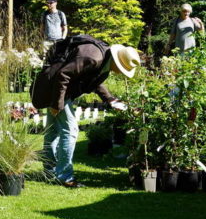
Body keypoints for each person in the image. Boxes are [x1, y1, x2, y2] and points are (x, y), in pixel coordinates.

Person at [31, 35, 141, 188]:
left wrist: (110, 99)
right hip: (56, 90)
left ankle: (49, 172)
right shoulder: (93, 57)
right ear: (118, 61)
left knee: (53, 131)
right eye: (124, 69)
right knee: (70, 131)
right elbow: (63, 75)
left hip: (59, 90)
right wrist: (57, 105)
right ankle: (64, 176)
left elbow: (93, 82)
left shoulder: (104, 60)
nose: (122, 73)